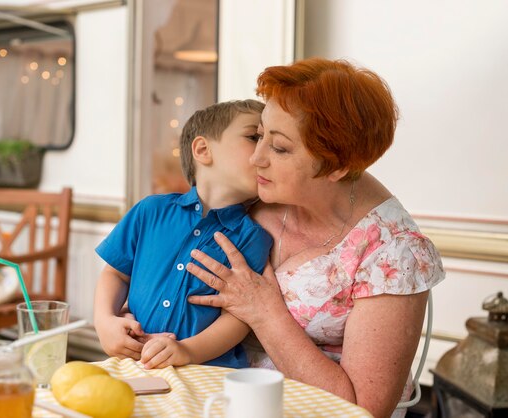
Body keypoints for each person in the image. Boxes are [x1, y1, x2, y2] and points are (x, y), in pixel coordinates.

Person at [185, 58, 445, 418]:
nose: (256, 158)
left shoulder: (391, 251)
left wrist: (265, 313)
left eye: (279, 148)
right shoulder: (250, 195)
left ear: (336, 165)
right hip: (213, 399)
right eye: (259, 135)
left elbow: (362, 410)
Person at [93, 99, 273, 369]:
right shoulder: (150, 211)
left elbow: (238, 318)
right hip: (136, 361)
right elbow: (115, 273)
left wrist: (188, 351)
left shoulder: (253, 236)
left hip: (208, 370)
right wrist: (104, 321)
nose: (264, 152)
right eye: (254, 137)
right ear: (203, 150)